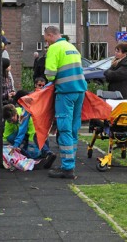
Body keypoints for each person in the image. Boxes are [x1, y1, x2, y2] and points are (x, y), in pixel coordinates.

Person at [44, 26, 87, 179]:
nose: (46, 43)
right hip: (80, 91)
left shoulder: (55, 48)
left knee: (64, 129)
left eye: (46, 39)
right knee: (74, 128)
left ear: (50, 35)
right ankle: (70, 162)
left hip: (65, 92)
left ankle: (67, 168)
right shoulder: (72, 47)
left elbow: (50, 74)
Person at [2, 103, 56, 169]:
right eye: (8, 120)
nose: (11, 122)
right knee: (10, 137)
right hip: (25, 134)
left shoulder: (26, 116)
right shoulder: (9, 121)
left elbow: (32, 134)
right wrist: (4, 149)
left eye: (11, 119)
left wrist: (30, 149)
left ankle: (48, 153)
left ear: (15, 114)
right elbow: (6, 136)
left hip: (36, 132)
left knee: (34, 154)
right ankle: (24, 149)